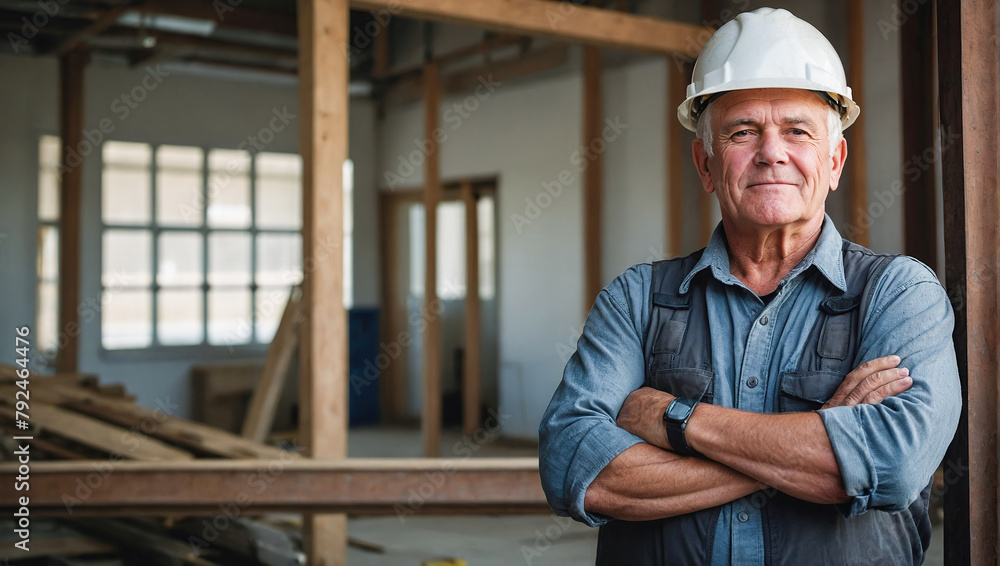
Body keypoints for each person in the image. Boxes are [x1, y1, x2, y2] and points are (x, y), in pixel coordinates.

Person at [537, 7, 961, 565]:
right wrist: (815, 442)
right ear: (706, 163)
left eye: (797, 131)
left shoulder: (901, 293)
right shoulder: (636, 299)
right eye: (743, 131)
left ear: (834, 161)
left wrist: (675, 419)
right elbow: (577, 472)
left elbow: (895, 464)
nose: (771, 152)